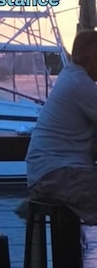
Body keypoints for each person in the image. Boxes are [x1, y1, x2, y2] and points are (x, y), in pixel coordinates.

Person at [26, 30, 97, 224]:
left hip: (50, 173)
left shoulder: (72, 77)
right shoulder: (80, 84)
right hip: (58, 175)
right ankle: (69, 254)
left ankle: (70, 254)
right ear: (93, 58)